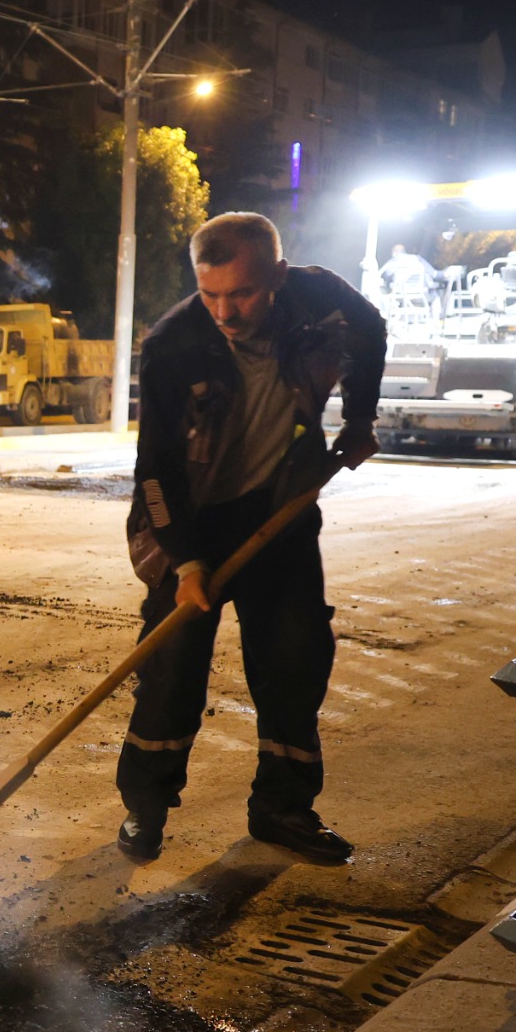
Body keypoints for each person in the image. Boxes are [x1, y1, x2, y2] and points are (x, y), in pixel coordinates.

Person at [116, 212, 384, 866]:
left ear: (278, 278)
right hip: (192, 523)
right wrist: (184, 563)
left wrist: (359, 417)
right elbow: (156, 469)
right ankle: (144, 811)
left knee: (295, 659)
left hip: (280, 509)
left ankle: (283, 809)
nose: (225, 312)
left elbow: (372, 330)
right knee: (171, 671)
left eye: (240, 294)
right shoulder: (175, 345)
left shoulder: (319, 300)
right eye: (210, 294)